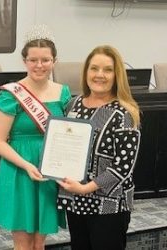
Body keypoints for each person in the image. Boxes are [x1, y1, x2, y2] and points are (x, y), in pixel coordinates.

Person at [0, 28, 71, 250]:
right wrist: (26, 165)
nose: (39, 65)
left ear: (55, 61)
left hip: (48, 168)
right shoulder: (11, 94)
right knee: (23, 242)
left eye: (45, 60)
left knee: (39, 241)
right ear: (24, 61)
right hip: (20, 168)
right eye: (33, 60)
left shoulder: (63, 93)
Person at [57, 45, 141, 250]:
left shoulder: (124, 113)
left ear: (117, 75)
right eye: (94, 68)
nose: (99, 75)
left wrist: (86, 188)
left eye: (107, 70)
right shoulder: (73, 105)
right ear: (86, 72)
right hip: (76, 200)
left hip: (109, 206)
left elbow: (122, 168)